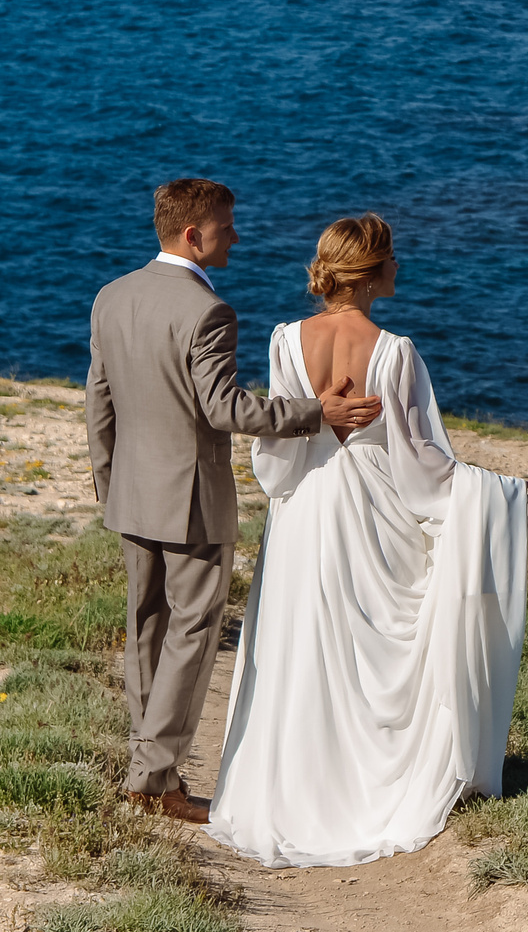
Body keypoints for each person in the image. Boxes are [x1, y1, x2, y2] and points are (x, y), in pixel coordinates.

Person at [205, 214, 528, 867]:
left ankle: (296, 789)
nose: (399, 266)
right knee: (369, 648)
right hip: (373, 513)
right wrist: (504, 489)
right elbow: (424, 464)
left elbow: (277, 449)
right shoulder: (394, 351)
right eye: (391, 257)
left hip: (306, 509)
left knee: (303, 645)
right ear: (370, 273)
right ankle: (367, 786)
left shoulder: (285, 340)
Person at [86, 178, 383, 824]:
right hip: (191, 501)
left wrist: (110, 486)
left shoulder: (112, 296)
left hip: (131, 495)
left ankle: (151, 769)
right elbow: (225, 409)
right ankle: (153, 779)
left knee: (146, 631)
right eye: (227, 226)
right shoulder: (208, 312)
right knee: (191, 635)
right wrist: (316, 413)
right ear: (194, 235)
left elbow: (99, 403)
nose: (237, 237)